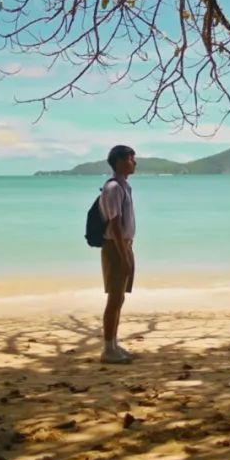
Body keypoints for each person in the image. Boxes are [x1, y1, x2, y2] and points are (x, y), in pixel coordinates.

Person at [99, 145, 137, 364]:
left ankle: (113, 344)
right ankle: (107, 349)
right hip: (116, 247)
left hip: (124, 245)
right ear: (120, 161)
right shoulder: (114, 187)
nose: (134, 163)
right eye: (131, 159)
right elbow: (114, 225)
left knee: (119, 297)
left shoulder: (124, 186)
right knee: (114, 298)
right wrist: (124, 257)